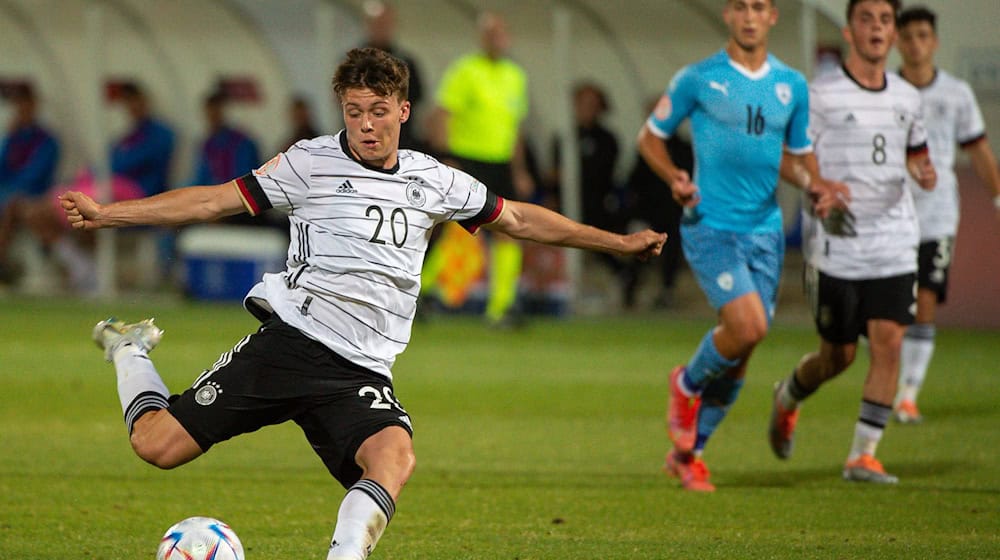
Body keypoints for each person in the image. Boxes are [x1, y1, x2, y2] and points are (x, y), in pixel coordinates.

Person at [60, 48, 666, 560]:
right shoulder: (308, 163)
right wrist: (109, 213)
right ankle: (130, 349)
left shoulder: (436, 179)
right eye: (354, 112)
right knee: (156, 447)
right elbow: (211, 202)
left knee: (393, 457)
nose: (367, 125)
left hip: (362, 370)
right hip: (292, 344)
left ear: (403, 110)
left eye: (379, 112)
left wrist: (615, 243)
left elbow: (522, 219)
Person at [637, 0, 847, 491]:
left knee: (743, 349)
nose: (750, 16)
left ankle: (691, 456)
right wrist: (674, 176)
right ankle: (685, 384)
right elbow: (650, 137)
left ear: (773, 16)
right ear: (728, 15)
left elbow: (796, 158)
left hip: (765, 231)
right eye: (740, 7)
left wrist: (814, 185)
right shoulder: (698, 78)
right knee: (749, 326)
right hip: (711, 223)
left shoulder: (792, 85)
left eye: (759, 7)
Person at [768, 0, 937, 485]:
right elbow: (785, 156)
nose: (878, 28)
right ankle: (788, 396)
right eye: (868, 19)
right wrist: (814, 185)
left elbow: (917, 155)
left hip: (894, 240)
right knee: (837, 356)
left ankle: (863, 455)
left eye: (886, 20)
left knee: (888, 343)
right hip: (837, 245)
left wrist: (923, 172)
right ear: (849, 30)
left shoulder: (907, 96)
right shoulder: (819, 95)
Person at [892, 6, 1000, 424]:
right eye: (909, 36)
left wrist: (997, 200)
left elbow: (979, 151)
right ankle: (888, 376)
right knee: (888, 306)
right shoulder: (886, 91)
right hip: (890, 215)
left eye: (923, 35)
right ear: (899, 43)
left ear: (934, 41)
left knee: (926, 300)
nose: (916, 43)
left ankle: (908, 393)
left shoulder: (955, 93)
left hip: (937, 214)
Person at [427, 11, 534, 327]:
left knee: (510, 231)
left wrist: (520, 171)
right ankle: (423, 289)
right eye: (490, 33)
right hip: (467, 160)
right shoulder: (465, 70)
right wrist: (446, 156)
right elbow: (442, 114)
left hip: (500, 163)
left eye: (500, 33)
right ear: (481, 37)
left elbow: (515, 129)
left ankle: (502, 306)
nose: (495, 39)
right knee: (453, 230)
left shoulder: (516, 76)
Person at [549, 82, 633, 306]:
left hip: (598, 202)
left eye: (592, 104)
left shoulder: (607, 139)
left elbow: (604, 173)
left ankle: (622, 276)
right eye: (582, 104)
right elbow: (554, 173)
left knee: (598, 232)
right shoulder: (565, 137)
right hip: (566, 204)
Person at [623, 98, 693, 309]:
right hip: (647, 210)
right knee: (638, 246)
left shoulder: (684, 148)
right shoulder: (644, 147)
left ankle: (667, 289)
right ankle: (631, 286)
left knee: (671, 246)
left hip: (673, 211)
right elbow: (633, 181)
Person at [0, 84, 60, 284]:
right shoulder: (13, 138)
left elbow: (35, 175)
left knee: (11, 206)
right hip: (8, 193)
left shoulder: (46, 140)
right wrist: (9, 137)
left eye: (24, 103)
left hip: (33, 195)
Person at [361, 0, 425, 151]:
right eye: (377, 24)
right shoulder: (355, 62)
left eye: (385, 24)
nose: (382, 29)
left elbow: (416, 96)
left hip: (400, 141)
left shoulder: (406, 62)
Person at [110, 82, 175, 198]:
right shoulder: (129, 136)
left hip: (147, 192)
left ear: (144, 100)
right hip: (127, 190)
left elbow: (124, 164)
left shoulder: (161, 133)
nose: (132, 106)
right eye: (128, 102)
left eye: (134, 100)